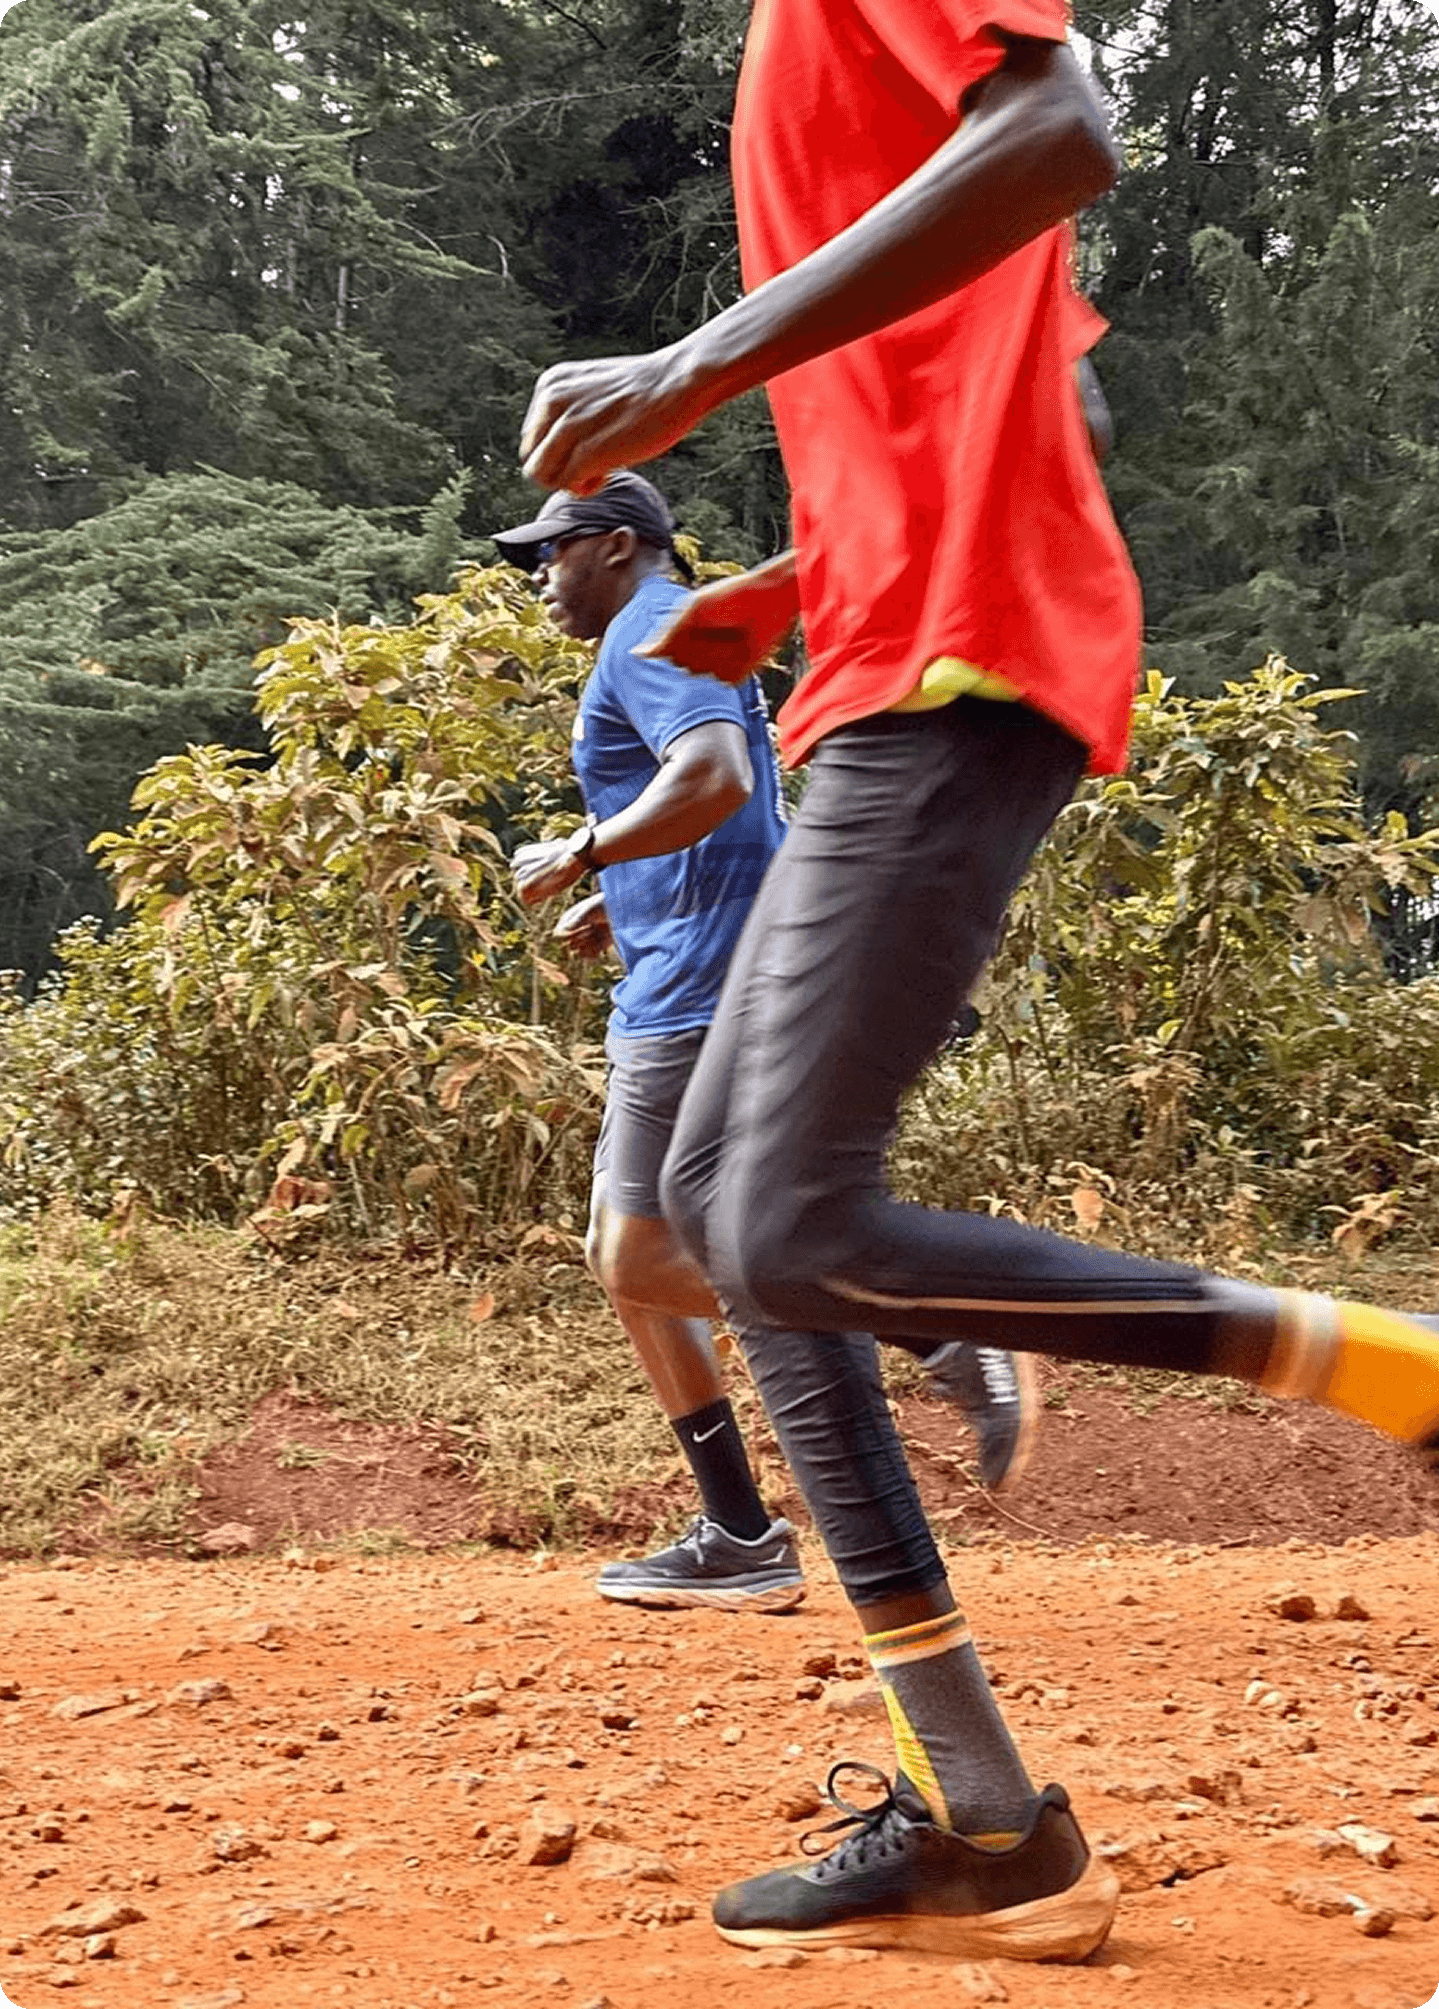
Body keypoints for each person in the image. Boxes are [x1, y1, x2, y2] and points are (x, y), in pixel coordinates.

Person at [513, 0, 1439, 1965]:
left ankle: (1392, 1367)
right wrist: (812, 565)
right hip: (880, 659)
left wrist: (693, 358)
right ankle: (977, 1813)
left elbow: (1062, 128)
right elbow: (1059, 403)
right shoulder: (794, 59)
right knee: (704, 1216)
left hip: (952, 668)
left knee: (780, 1214)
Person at [495, 470, 1039, 1617]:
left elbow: (716, 777)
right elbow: (744, 814)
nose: (538, 578)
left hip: (698, 992)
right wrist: (629, 883)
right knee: (644, 1261)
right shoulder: (682, 634)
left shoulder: (645, 629)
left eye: (547, 553)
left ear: (609, 545)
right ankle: (738, 1527)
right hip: (692, 972)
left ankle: (935, 1331)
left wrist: (586, 849)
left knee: (643, 1253)